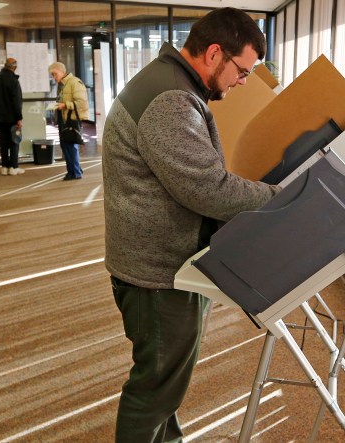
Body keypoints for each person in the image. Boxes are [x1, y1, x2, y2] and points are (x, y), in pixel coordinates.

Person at [102, 7, 280, 442]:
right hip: (157, 276)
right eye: (243, 71)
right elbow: (208, 190)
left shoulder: (169, 82)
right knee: (154, 390)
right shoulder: (171, 99)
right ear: (215, 52)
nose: (243, 82)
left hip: (155, 264)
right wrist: (281, 198)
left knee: (165, 383)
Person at [48, 62, 89, 180]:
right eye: (52, 75)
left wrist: (65, 105)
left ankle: (75, 173)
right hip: (64, 118)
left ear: (62, 71)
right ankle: (72, 171)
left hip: (72, 119)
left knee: (70, 145)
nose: (54, 77)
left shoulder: (74, 82)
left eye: (55, 74)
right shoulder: (63, 84)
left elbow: (82, 102)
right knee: (65, 145)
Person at [0, 57, 24, 176]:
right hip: (12, 117)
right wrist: (19, 118)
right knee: (14, 141)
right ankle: (13, 167)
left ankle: (4, 167)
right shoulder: (13, 80)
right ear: (14, 67)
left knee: (2, 141)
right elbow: (16, 101)